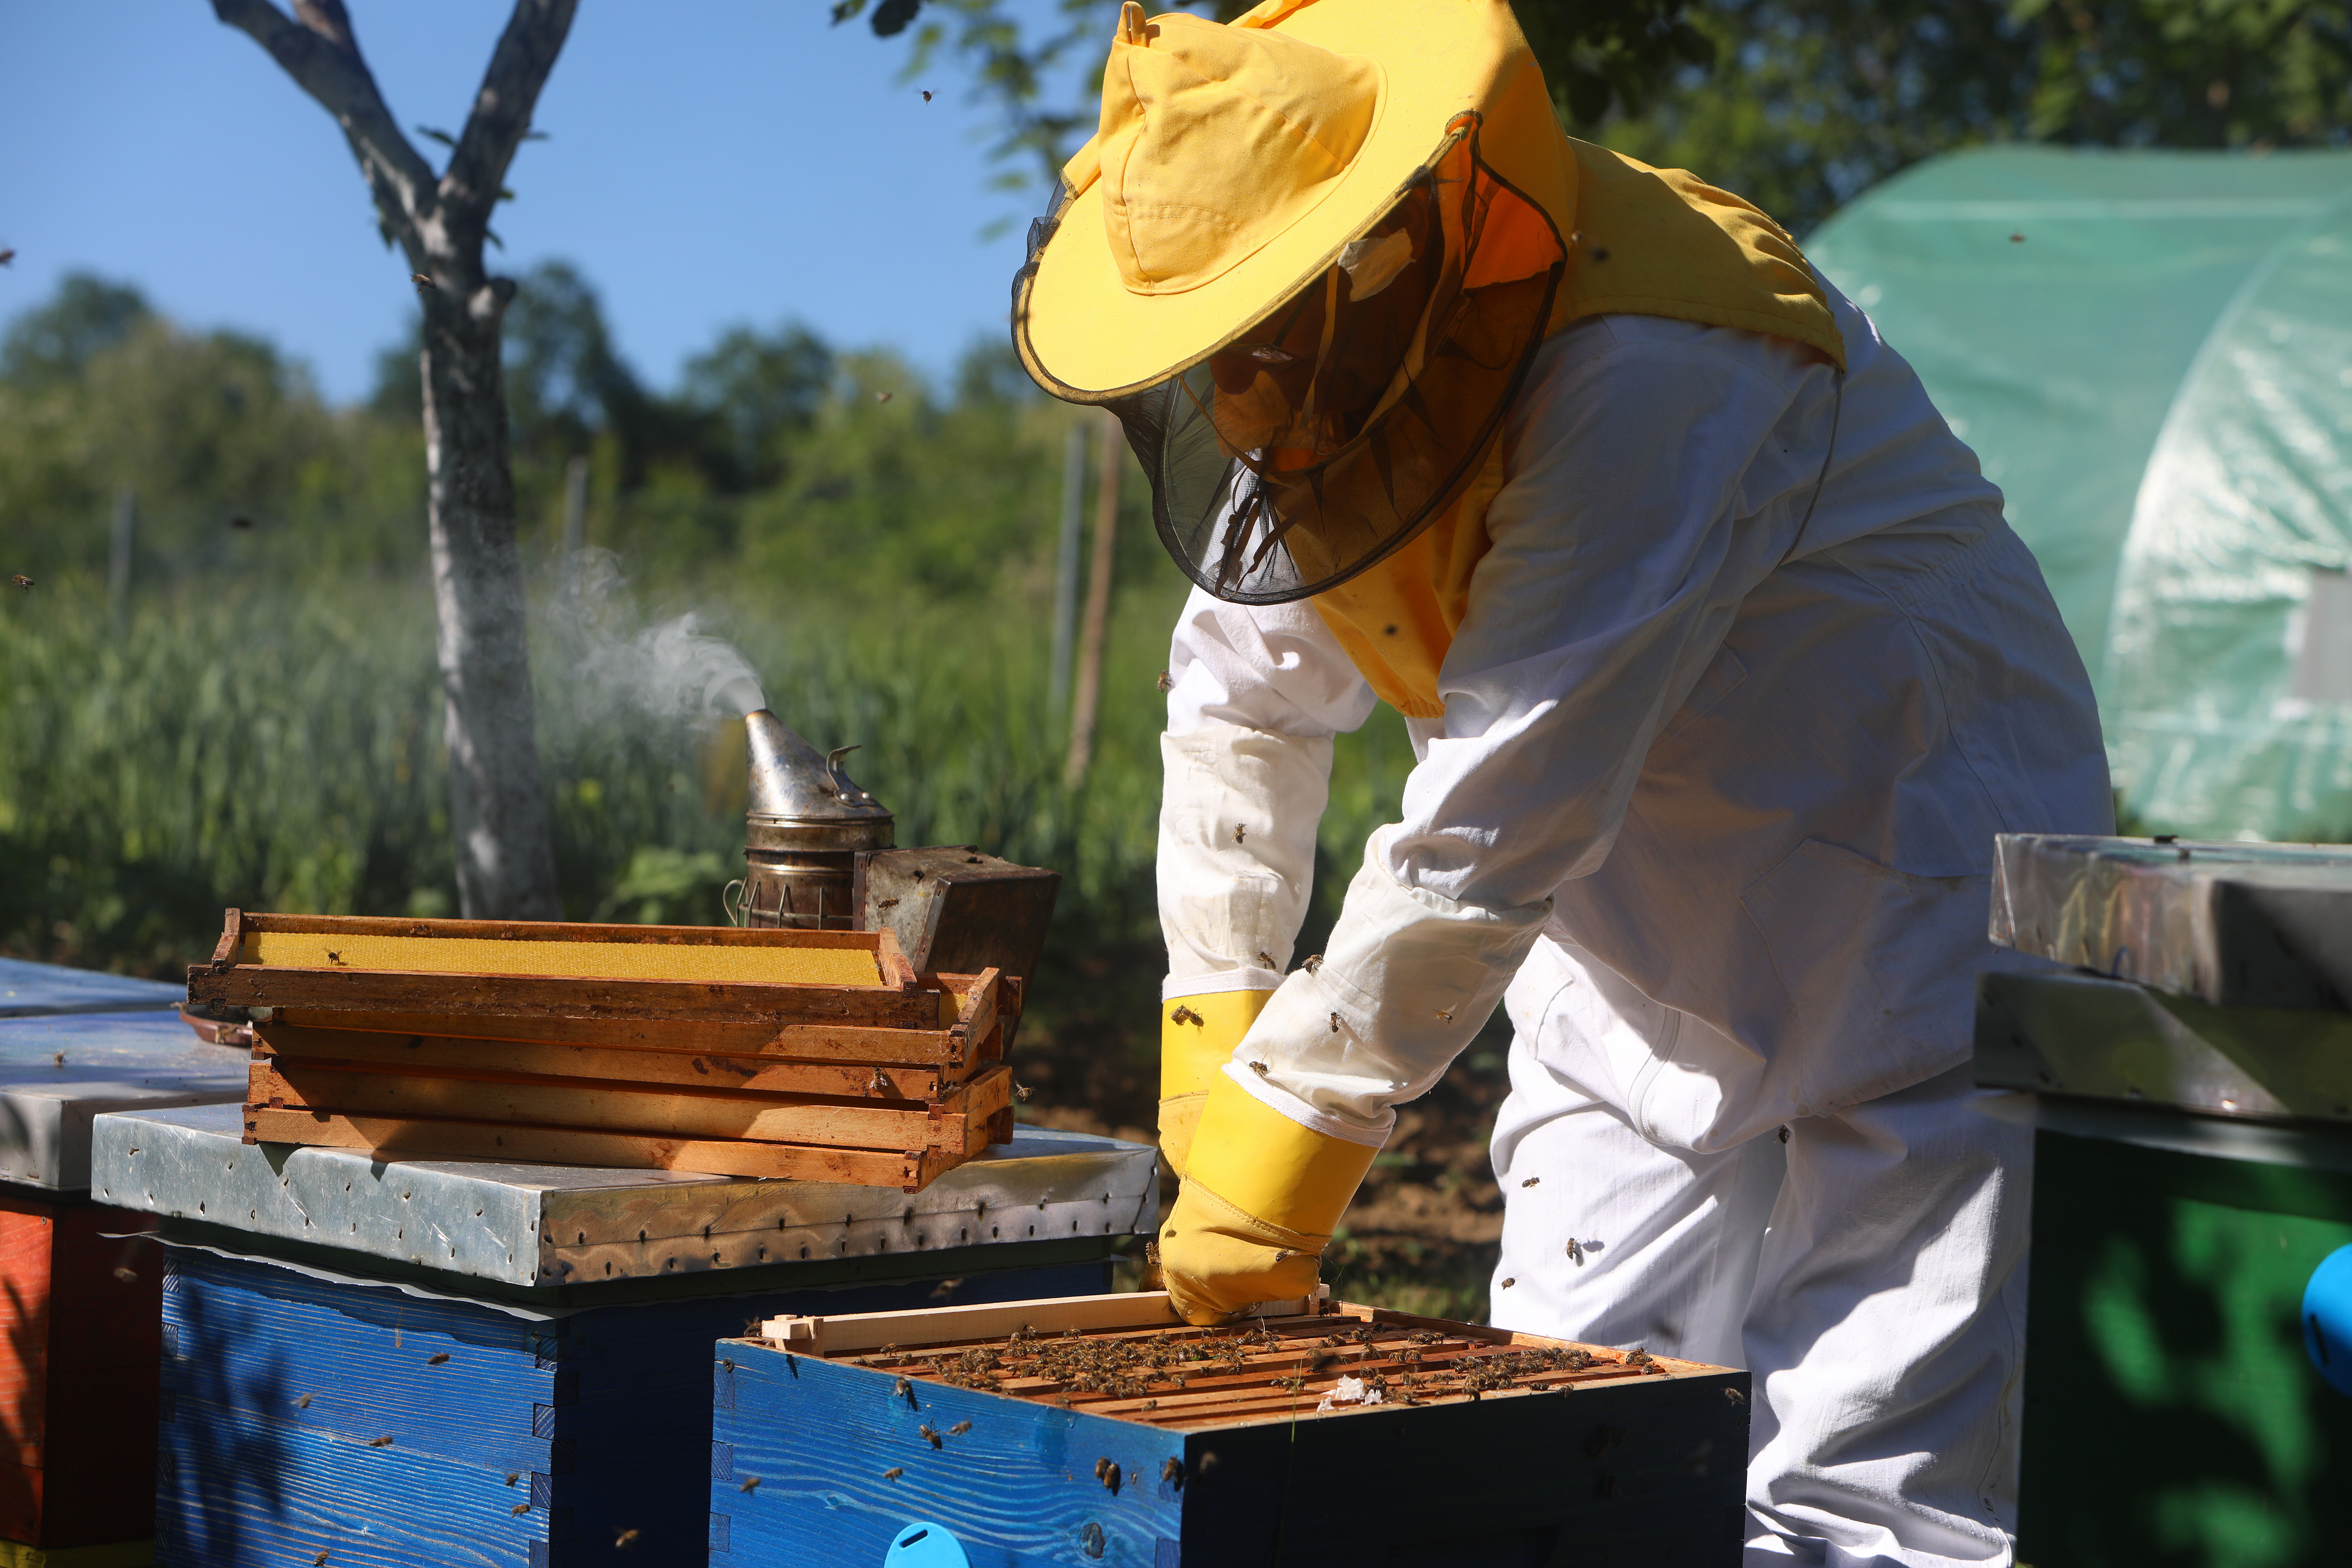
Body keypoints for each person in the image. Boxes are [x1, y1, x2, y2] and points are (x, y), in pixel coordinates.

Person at [1011, 1, 2112, 1562]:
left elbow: (1490, 817)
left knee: (1865, 1487)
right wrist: (1216, 1025)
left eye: (1261, 339)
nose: (1242, 399)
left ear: (1381, 253)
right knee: (1575, 1422)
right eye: (1214, 362)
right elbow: (1240, 705)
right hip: (1625, 924)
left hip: (1910, 866)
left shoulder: (1660, 361)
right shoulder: (1330, 388)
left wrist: (1291, 1142)